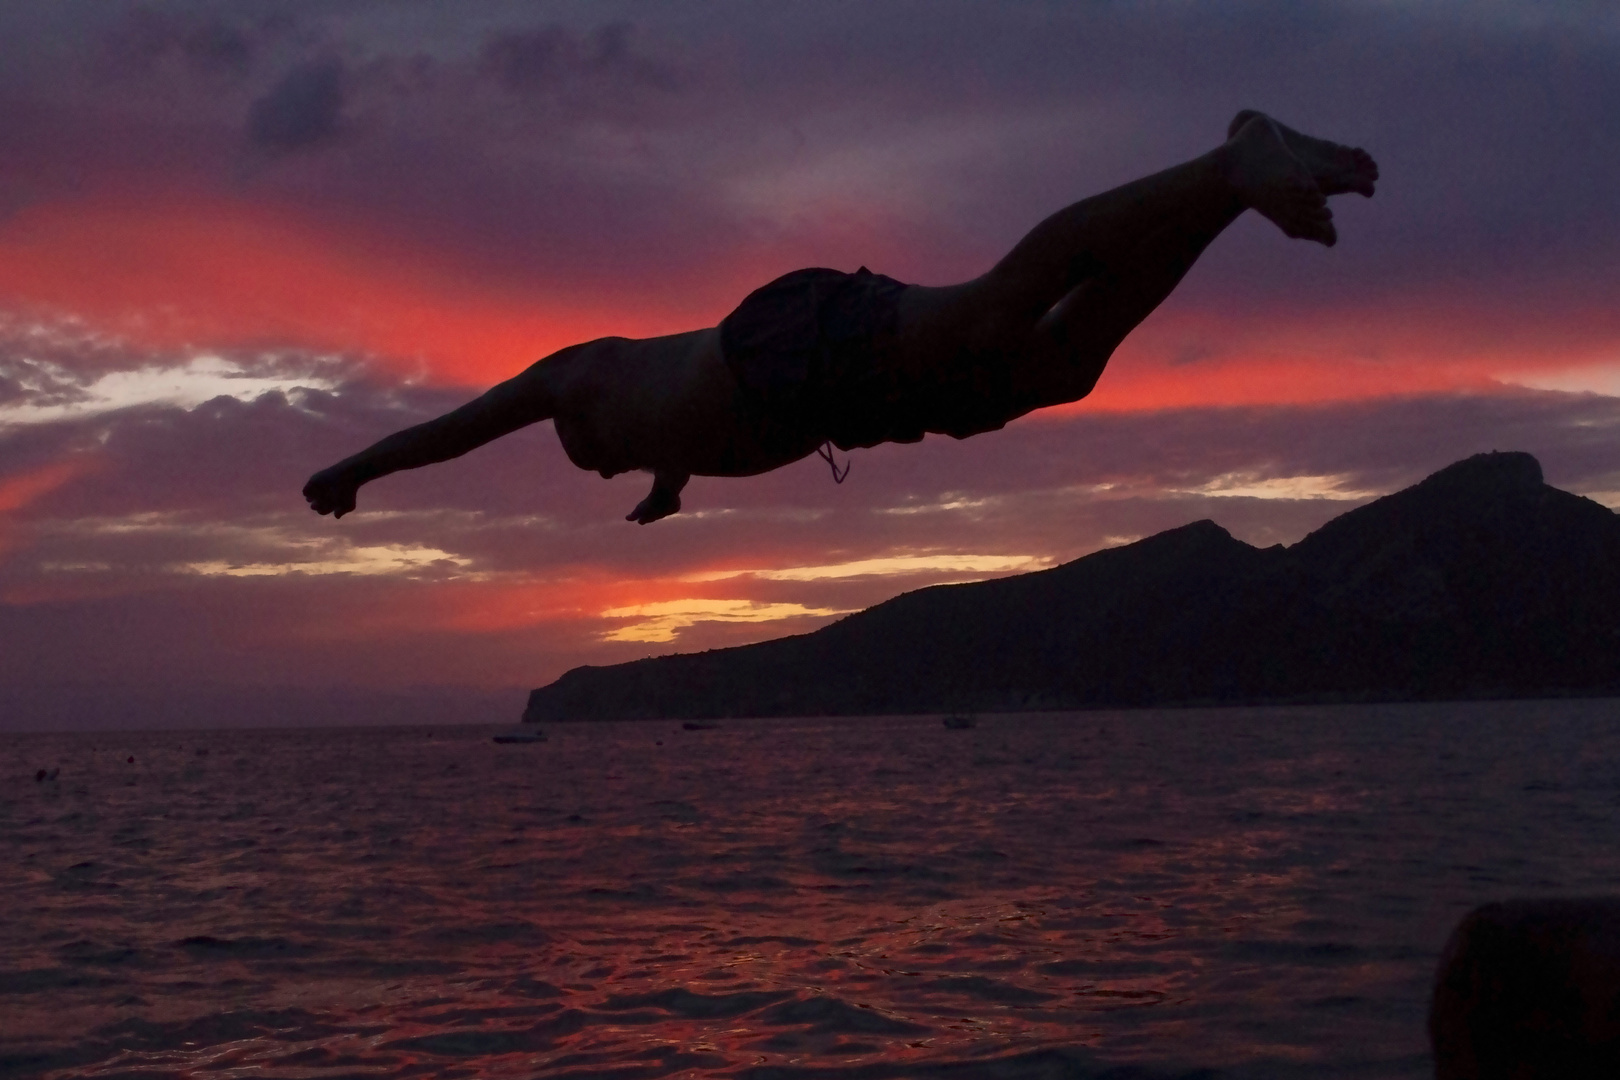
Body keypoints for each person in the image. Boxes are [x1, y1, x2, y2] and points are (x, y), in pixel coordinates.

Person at [304, 111, 1376, 525]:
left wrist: (356, 469)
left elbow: (451, 430)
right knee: (1057, 368)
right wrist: (667, 491)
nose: (590, 463)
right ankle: (1234, 189)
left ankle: (1226, 158)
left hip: (786, 348)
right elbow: (679, 427)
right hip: (821, 398)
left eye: (596, 462)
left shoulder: (569, 379)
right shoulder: (645, 424)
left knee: (996, 308)